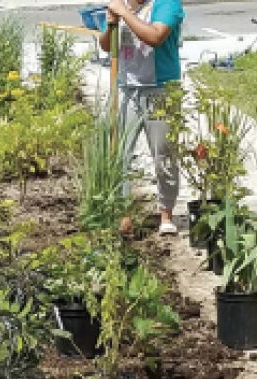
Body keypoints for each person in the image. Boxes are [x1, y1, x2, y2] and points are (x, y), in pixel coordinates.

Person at [100, 0, 184, 235]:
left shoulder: (167, 4)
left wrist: (125, 13)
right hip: (126, 88)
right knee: (120, 153)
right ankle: (123, 213)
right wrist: (110, 25)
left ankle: (166, 214)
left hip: (160, 88)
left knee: (163, 152)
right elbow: (106, 46)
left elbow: (155, 36)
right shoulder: (120, 4)